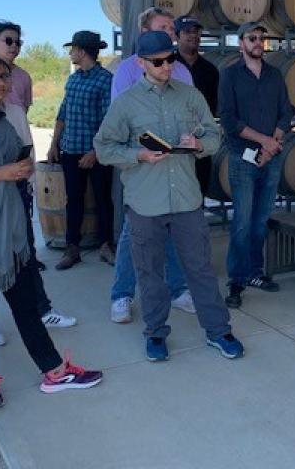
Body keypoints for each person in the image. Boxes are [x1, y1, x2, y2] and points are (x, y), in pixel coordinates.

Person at [0, 53, 103, 412]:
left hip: (7, 229)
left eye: (4, 77)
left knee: (26, 304)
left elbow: (12, 158)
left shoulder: (1, 120)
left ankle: (55, 371)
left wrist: (21, 166)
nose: (1, 83)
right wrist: (2, 174)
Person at [94, 31, 244, 362]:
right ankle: (156, 334)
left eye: (170, 59)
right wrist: (138, 155)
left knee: (200, 269)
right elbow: (104, 148)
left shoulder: (190, 96)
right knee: (149, 272)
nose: (166, 66)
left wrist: (199, 144)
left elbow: (214, 134)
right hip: (145, 203)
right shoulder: (126, 103)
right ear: (140, 63)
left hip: (187, 200)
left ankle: (218, 331)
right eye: (158, 62)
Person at [0, 20, 75, 348]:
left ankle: (42, 308)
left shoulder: (22, 78)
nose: (14, 45)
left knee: (22, 247)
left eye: (18, 41)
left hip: (18, 177)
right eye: (8, 40)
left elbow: (20, 123)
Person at [109, 8, 196, 325]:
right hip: (144, 168)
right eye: (163, 26)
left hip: (176, 167)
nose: (171, 31)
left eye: (172, 27)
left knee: (173, 229)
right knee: (135, 233)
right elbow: (121, 124)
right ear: (145, 32)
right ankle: (122, 294)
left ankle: (178, 289)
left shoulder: (182, 72)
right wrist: (143, 152)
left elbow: (193, 114)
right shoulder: (126, 71)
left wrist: (191, 137)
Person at [218, 21, 293, 309]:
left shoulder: (275, 74)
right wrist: (264, 141)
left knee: (261, 220)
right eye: (252, 38)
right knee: (242, 221)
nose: (258, 43)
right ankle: (236, 279)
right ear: (241, 44)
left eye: (261, 39)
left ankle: (255, 273)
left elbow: (285, 113)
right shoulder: (230, 76)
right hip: (242, 157)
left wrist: (274, 143)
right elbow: (228, 120)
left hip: (270, 158)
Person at [46, 31, 114, 271]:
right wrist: (54, 144)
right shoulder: (73, 79)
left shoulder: (106, 80)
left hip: (96, 153)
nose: (70, 53)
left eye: (72, 48)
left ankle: (106, 245)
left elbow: (109, 121)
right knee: (73, 200)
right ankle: (71, 248)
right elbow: (62, 113)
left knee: (104, 199)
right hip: (70, 151)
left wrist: (95, 152)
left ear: (83, 51)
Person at [174, 14, 219, 195]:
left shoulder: (210, 70)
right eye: (187, 32)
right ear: (177, 36)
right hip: (174, 141)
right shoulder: (168, 65)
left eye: (196, 32)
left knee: (199, 191)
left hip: (199, 142)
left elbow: (213, 107)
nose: (193, 36)